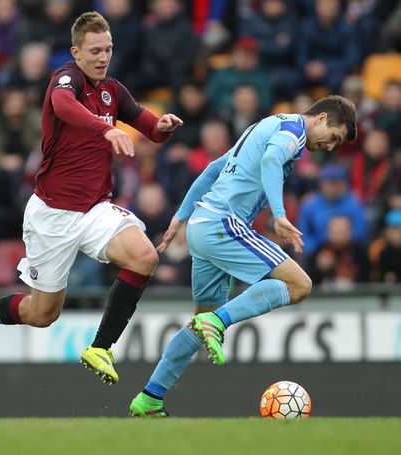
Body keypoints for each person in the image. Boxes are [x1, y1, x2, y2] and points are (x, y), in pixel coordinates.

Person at [0, 11, 183, 385]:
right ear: (76, 52)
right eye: (94, 50)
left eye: (107, 49)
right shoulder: (65, 79)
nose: (102, 57)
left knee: (144, 256)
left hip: (95, 209)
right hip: (52, 215)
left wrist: (163, 126)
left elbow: (150, 129)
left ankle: (101, 347)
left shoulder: (113, 90)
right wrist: (104, 130)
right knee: (43, 314)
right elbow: (63, 106)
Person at [129, 95, 357, 417]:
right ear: (320, 118)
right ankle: (218, 321)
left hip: (202, 227)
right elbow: (270, 163)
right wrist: (279, 215)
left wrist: (181, 216)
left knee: (199, 323)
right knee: (299, 285)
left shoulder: (263, 125)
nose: (330, 147)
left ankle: (150, 397)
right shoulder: (294, 131)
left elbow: (213, 169)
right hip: (225, 225)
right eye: (333, 137)